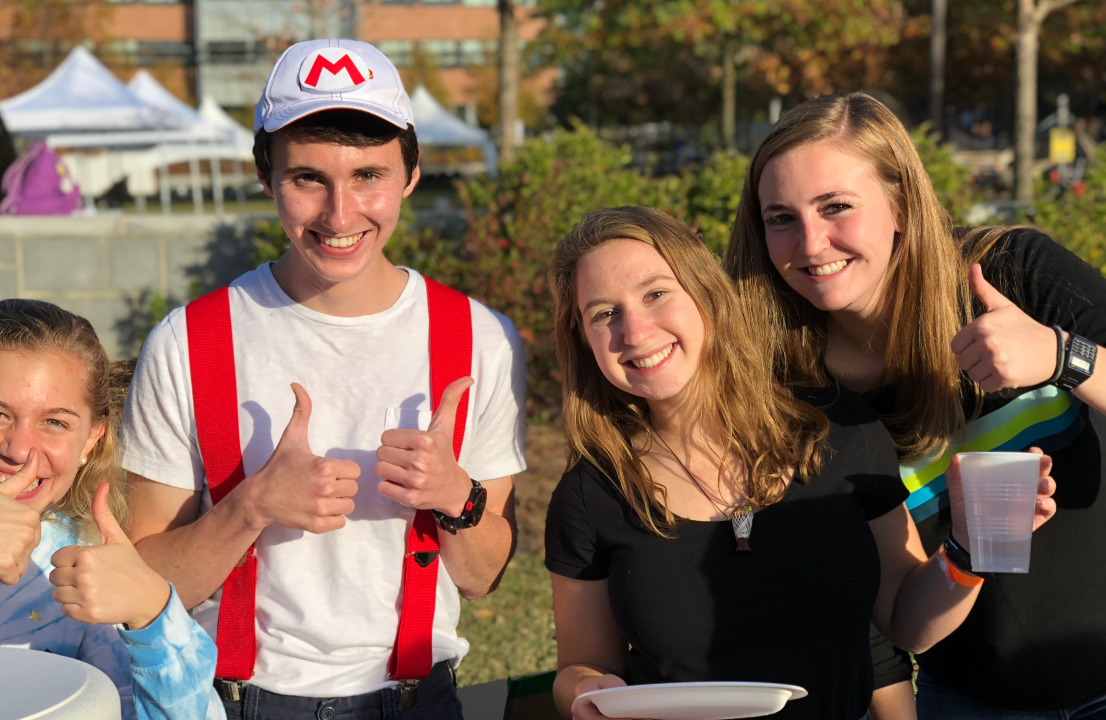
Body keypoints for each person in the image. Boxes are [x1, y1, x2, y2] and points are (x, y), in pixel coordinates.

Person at [120, 38, 527, 719]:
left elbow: (482, 577)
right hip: (237, 702)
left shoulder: (480, 340)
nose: (340, 217)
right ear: (264, 176)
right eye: (308, 178)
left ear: (412, 173)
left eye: (368, 175)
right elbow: (145, 582)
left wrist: (456, 494)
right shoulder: (188, 343)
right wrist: (250, 508)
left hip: (418, 700)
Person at [543, 206, 1054, 720]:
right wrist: (586, 692)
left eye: (656, 293)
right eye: (604, 313)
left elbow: (905, 624)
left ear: (706, 295)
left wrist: (968, 549)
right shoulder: (592, 493)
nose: (633, 331)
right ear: (584, 341)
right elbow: (580, 667)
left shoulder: (839, 430)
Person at [724, 91, 1105, 719]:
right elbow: (904, 624)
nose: (812, 243)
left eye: (836, 207)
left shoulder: (1010, 274)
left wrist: (1063, 356)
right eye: (780, 218)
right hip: (970, 703)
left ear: (900, 205)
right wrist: (963, 547)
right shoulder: (795, 392)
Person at [0, 299, 225, 720]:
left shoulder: (88, 569)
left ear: (91, 439)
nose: (18, 450)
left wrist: (151, 614)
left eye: (55, 422)